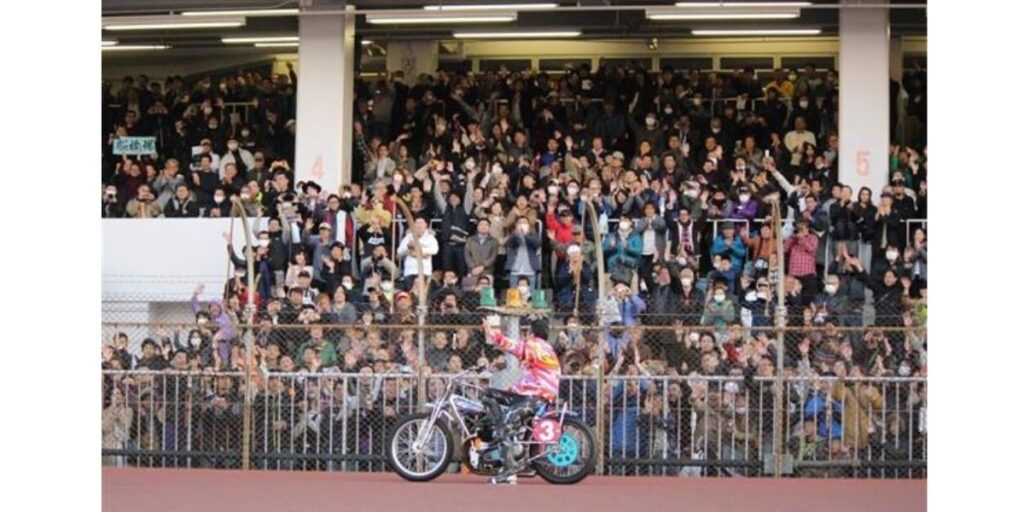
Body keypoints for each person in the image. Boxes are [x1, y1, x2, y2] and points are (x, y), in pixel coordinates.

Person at [479, 318, 562, 485]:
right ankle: (502, 433)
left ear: (532, 333)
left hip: (532, 397)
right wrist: (511, 391)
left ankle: (509, 470)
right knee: (488, 394)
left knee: (503, 427)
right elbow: (529, 378)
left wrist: (493, 334)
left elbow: (514, 347)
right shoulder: (547, 349)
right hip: (536, 396)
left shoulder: (535, 344)